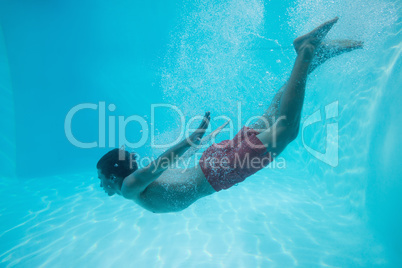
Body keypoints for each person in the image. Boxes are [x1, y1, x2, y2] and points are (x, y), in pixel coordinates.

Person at [96, 17, 363, 213]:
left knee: (286, 130)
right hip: (213, 163)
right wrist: (199, 142)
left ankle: (306, 52)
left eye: (100, 178)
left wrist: (192, 139)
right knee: (272, 114)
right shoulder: (140, 182)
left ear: (112, 175)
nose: (100, 185)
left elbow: (163, 163)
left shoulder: (129, 188)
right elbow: (169, 166)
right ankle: (313, 59)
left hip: (217, 172)